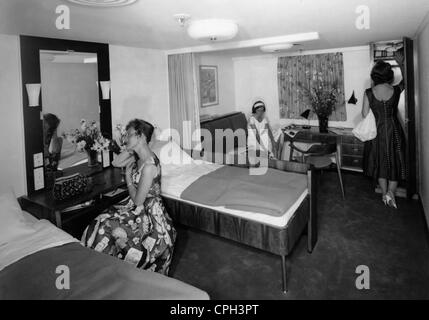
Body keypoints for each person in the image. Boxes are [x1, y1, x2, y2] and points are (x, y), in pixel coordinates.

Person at [81, 119, 177, 275]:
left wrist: (128, 178)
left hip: (147, 213)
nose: (125, 138)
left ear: (141, 136)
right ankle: (102, 267)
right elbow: (115, 162)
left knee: (104, 226)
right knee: (100, 220)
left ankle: (107, 270)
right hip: (136, 206)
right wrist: (130, 148)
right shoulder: (139, 157)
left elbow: (138, 200)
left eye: (129, 135)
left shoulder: (149, 165)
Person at [362, 54, 406, 209]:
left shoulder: (368, 92)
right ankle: (391, 193)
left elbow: (364, 114)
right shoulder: (395, 89)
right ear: (389, 75)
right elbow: (405, 81)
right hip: (394, 130)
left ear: (375, 75)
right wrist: (400, 64)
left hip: (378, 131)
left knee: (381, 161)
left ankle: (384, 194)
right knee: (394, 161)